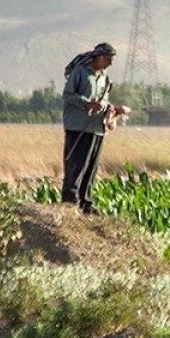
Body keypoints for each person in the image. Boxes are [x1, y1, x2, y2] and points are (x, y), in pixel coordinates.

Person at [61, 42, 122, 214]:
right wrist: (86, 104)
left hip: (97, 127)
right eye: (108, 59)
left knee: (91, 167)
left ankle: (85, 202)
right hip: (78, 126)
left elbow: (103, 100)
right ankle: (70, 201)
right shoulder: (79, 72)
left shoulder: (105, 78)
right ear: (98, 57)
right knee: (77, 164)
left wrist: (111, 109)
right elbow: (67, 95)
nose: (110, 63)